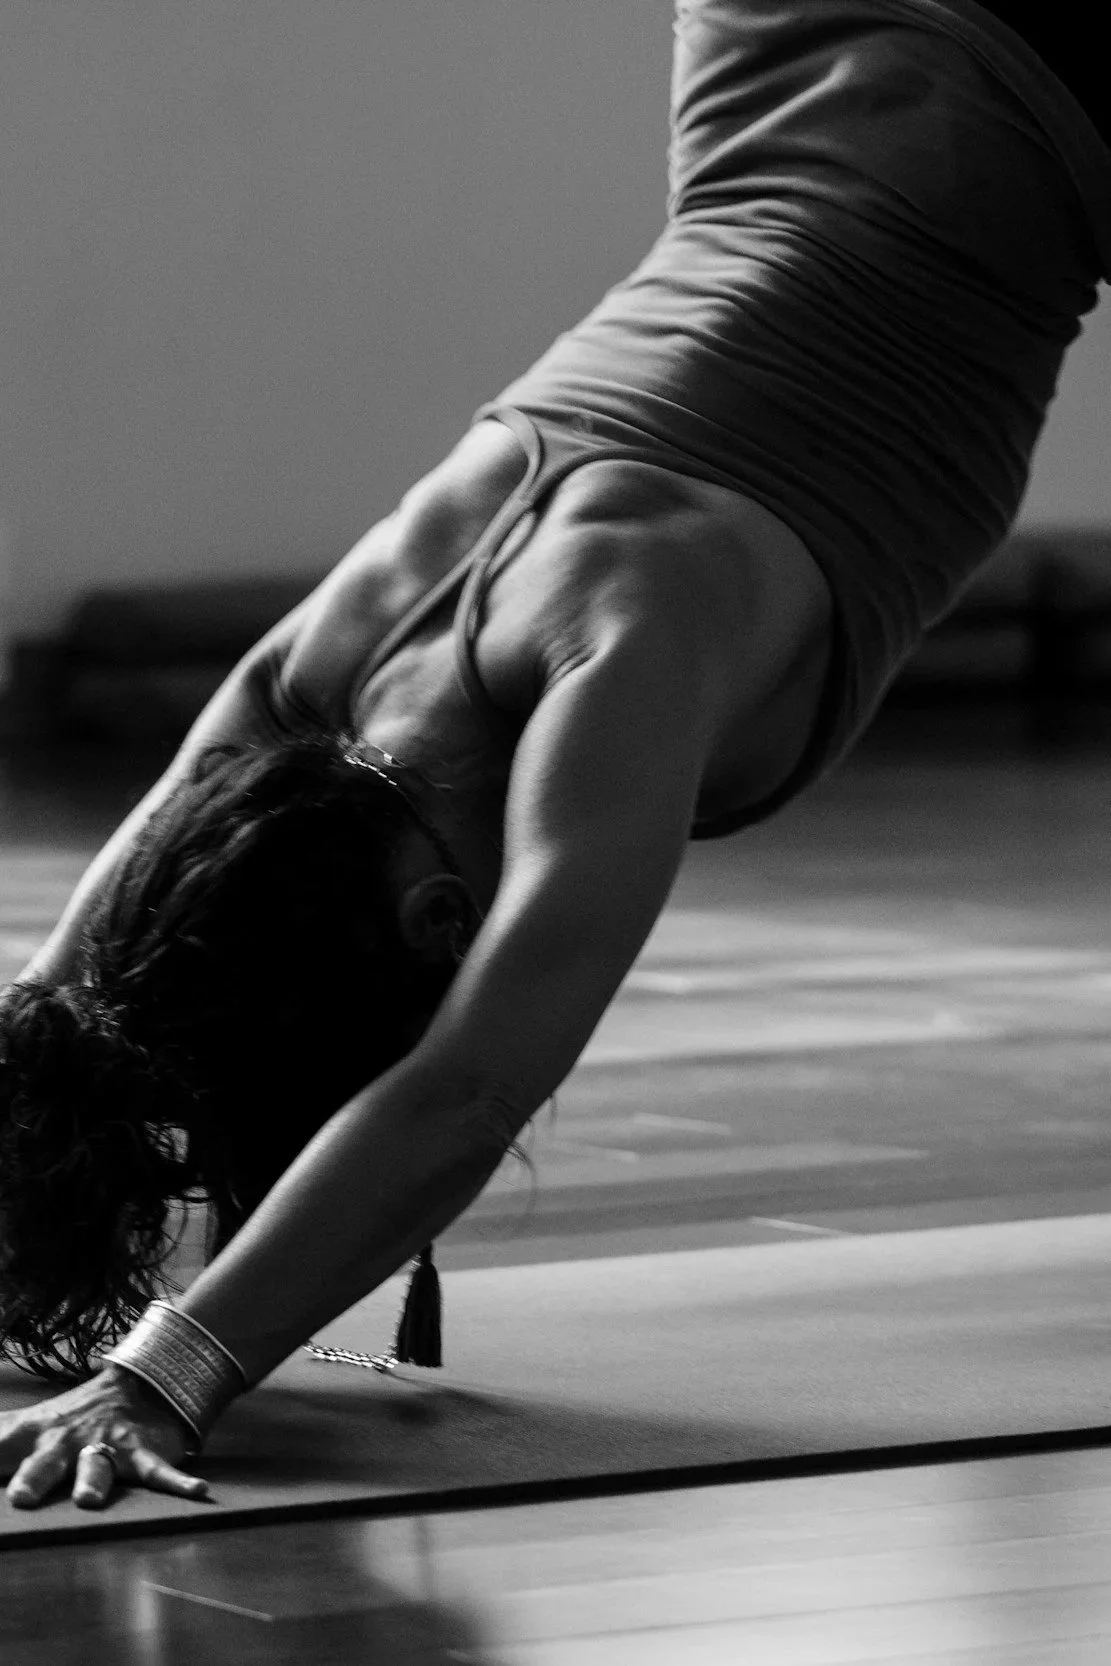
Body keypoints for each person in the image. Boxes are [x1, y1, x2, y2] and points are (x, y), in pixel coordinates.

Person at [2, 0, 1109, 1511]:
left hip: (1019, 96)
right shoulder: (327, 665)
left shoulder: (620, 660)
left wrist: (166, 1372)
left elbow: (459, 1096)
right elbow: (61, 998)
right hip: (769, 46)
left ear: (439, 930)